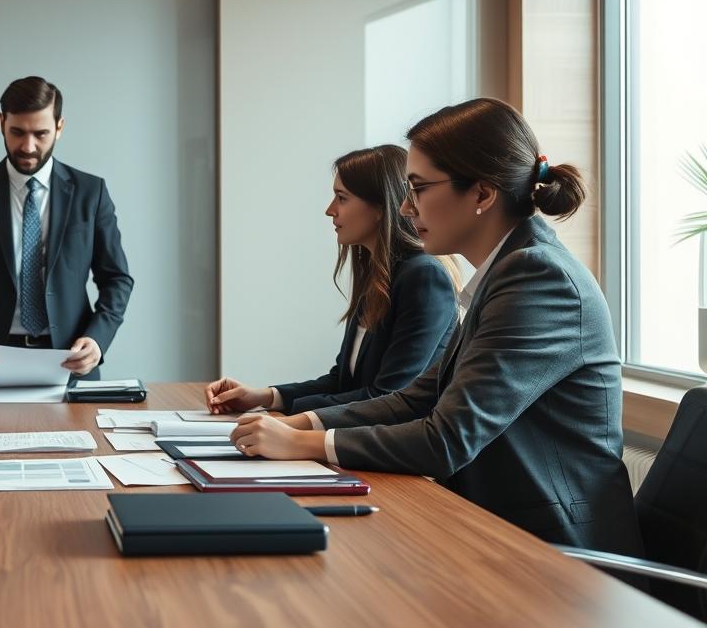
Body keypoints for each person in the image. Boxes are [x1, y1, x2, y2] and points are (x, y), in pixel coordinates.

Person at [226, 98, 643, 555]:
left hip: (557, 554)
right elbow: (419, 396)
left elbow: (447, 439)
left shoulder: (538, 279)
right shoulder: (508, 269)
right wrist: (301, 421)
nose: (406, 208)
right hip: (497, 529)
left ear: (482, 194)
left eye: (418, 189)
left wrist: (305, 443)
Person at [205, 145, 457, 415]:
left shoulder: (424, 277)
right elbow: (342, 381)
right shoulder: (377, 276)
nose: (330, 210)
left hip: (393, 451)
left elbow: (386, 396)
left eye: (342, 198)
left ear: (380, 207)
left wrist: (288, 423)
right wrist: (264, 397)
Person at [0, 76, 134, 382]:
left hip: (70, 363)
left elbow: (117, 278)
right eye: (17, 132)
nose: (28, 146)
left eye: (41, 133)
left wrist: (97, 340)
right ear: (1, 123)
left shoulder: (92, 192)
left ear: (60, 127)